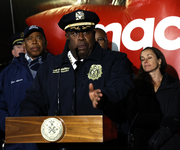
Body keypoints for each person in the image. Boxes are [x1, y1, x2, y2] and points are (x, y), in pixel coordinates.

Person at [20, 10, 134, 150]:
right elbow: (33, 100)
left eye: (86, 32)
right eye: (74, 33)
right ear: (66, 36)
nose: (81, 37)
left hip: (102, 145)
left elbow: (121, 86)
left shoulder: (115, 60)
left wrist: (103, 97)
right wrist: (30, 121)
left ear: (93, 33)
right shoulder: (50, 66)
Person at [0, 25, 53, 150]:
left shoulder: (58, 66)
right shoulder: (8, 72)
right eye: (30, 38)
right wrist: (7, 125)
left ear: (46, 42)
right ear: (24, 43)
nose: (34, 41)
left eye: (38, 38)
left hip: (50, 138)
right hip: (18, 141)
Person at [127, 47, 180, 150]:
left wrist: (155, 141)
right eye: (142, 59)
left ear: (159, 61)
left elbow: (174, 118)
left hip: (168, 143)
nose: (145, 61)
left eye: (149, 57)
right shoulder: (135, 87)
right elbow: (133, 116)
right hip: (142, 143)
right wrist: (160, 119)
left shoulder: (174, 86)